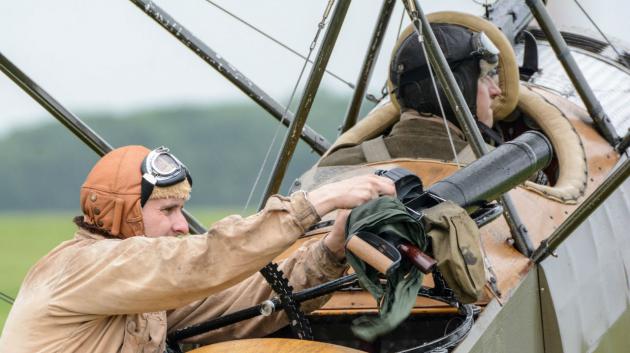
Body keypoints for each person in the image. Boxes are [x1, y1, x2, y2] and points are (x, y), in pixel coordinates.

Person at [0, 145, 395, 353]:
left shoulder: (140, 291)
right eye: (168, 209)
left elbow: (245, 305)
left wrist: (331, 248)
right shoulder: (83, 266)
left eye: (182, 209)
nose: (180, 225)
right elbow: (203, 260)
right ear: (124, 213)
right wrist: (317, 202)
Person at [319, 23, 503, 166]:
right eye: (483, 77)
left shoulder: (334, 164)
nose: (496, 91)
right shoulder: (503, 169)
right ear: (451, 87)